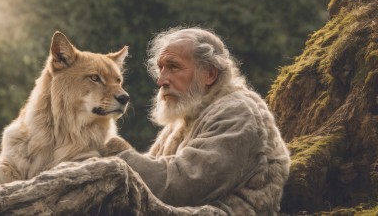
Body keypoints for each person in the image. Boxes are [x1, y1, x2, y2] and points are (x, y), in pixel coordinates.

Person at [110, 27, 291, 215]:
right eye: (160, 68)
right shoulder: (187, 116)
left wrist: (115, 153)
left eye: (173, 67)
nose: (161, 80)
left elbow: (181, 187)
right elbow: (154, 170)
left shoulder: (237, 111)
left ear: (209, 74)